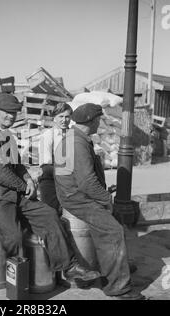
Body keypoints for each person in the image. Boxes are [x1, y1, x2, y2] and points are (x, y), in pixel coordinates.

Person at [0, 92, 100, 282]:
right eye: (6, 113)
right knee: (13, 237)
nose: (10, 117)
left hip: (11, 194)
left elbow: (18, 165)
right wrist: (23, 186)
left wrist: (28, 179)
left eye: (14, 113)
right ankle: (15, 283)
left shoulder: (8, 137)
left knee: (49, 215)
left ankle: (68, 267)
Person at [54, 103, 145, 300]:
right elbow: (87, 183)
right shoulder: (77, 143)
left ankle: (116, 268)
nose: (100, 123)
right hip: (77, 198)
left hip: (75, 194)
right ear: (92, 121)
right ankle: (118, 288)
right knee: (113, 230)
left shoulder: (74, 137)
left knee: (113, 225)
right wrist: (106, 200)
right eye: (99, 120)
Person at [38, 102, 73, 213]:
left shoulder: (73, 135)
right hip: (50, 180)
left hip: (70, 181)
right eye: (61, 116)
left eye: (67, 117)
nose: (64, 120)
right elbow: (46, 166)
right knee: (52, 212)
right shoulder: (47, 136)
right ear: (54, 118)